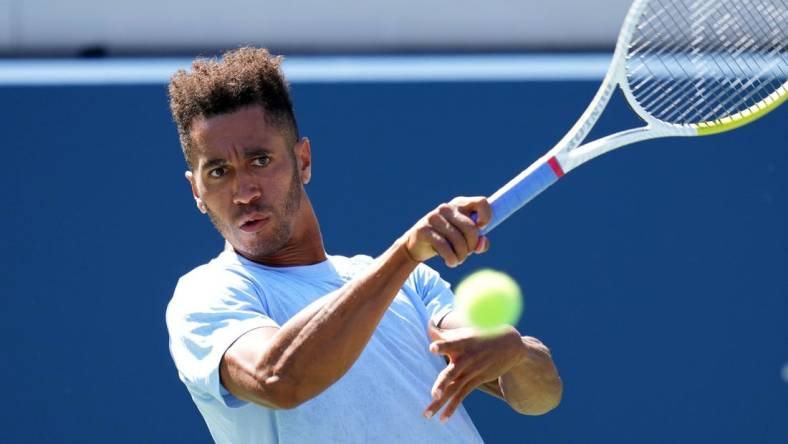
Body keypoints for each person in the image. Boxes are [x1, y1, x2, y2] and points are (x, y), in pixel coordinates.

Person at [165, 47, 562, 444]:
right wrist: (405, 253)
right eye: (218, 172)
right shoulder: (206, 294)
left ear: (303, 161)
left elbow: (540, 397)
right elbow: (278, 379)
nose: (244, 192)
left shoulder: (413, 283)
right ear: (196, 191)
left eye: (261, 161)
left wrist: (515, 351)